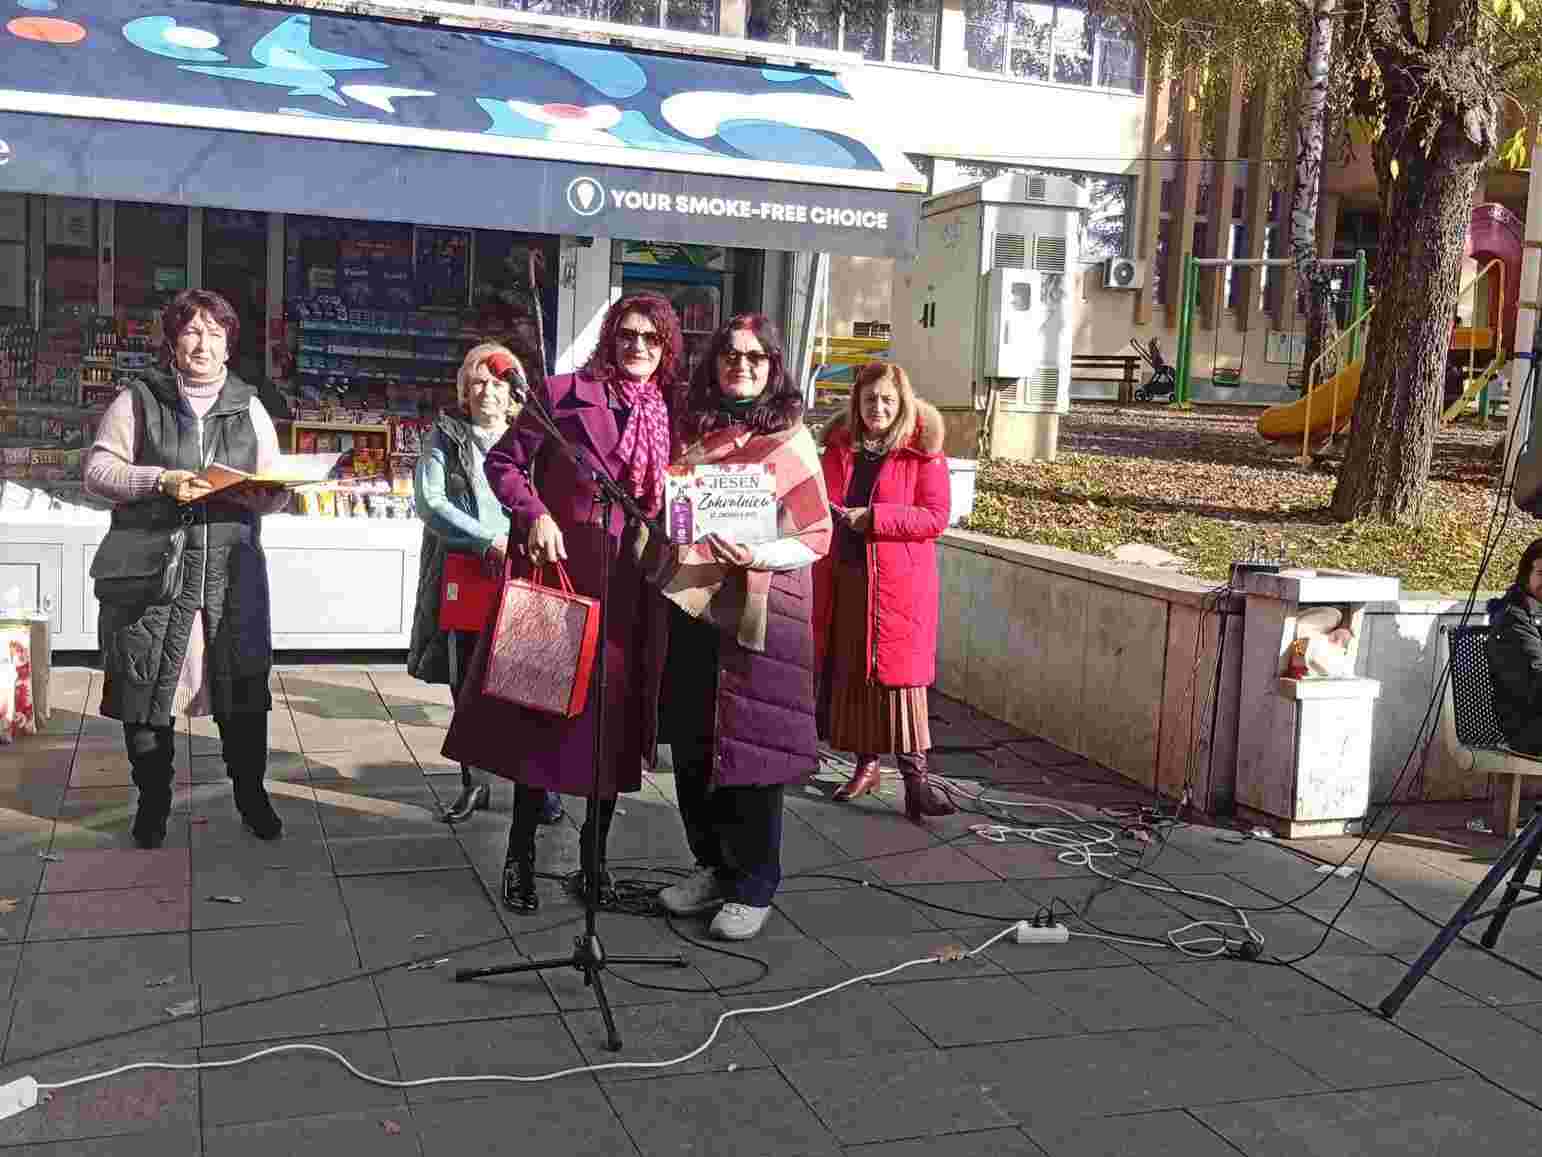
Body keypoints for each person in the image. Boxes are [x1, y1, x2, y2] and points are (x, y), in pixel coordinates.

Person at [442, 294, 680, 913]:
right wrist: (535, 513)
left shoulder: (669, 410)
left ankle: (594, 862)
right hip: (561, 576)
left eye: (652, 338)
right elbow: (504, 463)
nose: (638, 347)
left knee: (613, 730)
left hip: (629, 588)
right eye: (627, 335)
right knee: (541, 720)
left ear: (666, 348)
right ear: (610, 338)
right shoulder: (561, 392)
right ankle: (519, 855)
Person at [83, 289, 291, 848]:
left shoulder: (249, 406)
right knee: (148, 693)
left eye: (215, 334)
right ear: (173, 341)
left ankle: (251, 795)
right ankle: (153, 801)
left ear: (229, 346)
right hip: (156, 578)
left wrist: (268, 495)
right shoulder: (139, 399)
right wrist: (160, 480)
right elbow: (98, 472)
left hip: (230, 577)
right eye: (193, 331)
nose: (203, 344)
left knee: (242, 694)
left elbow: (274, 482)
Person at [654, 314, 833, 941]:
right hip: (694, 606)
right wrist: (678, 528)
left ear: (773, 367)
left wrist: (758, 554)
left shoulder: (789, 439)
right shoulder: (692, 430)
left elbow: (816, 535)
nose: (742, 365)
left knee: (752, 748)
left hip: (758, 614)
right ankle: (710, 866)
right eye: (731, 354)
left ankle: (753, 884)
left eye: (756, 357)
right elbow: (676, 513)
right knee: (693, 745)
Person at [406, 341, 562, 826]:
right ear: (463, 390)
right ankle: (474, 781)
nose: (487, 391)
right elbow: (431, 502)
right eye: (477, 382)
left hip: (523, 569)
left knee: (527, 681)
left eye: (496, 382)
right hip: (466, 570)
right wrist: (485, 540)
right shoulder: (445, 436)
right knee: (467, 682)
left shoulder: (533, 437)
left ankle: (537, 786)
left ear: (514, 391)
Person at [813, 362, 956, 823]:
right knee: (855, 676)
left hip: (898, 586)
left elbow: (935, 517)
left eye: (888, 400)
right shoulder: (838, 449)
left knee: (901, 684)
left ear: (903, 403)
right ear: (856, 402)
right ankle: (867, 766)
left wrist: (874, 518)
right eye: (870, 399)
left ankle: (917, 782)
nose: (878, 407)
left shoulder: (922, 452)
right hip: (847, 577)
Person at [1488, 538, 1542, 753]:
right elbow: (1536, 684)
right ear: (1526, 576)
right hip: (1528, 729)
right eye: (1541, 573)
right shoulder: (1513, 620)